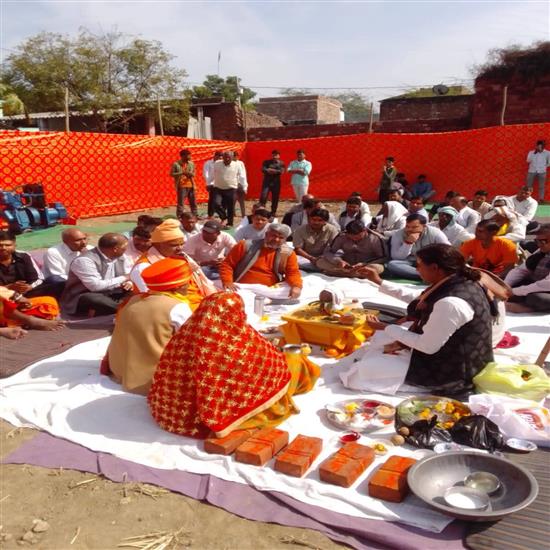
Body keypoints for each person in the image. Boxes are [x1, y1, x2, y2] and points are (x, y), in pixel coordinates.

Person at [148, 292, 319, 439]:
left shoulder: (185, 335)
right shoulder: (241, 342)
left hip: (173, 412)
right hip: (216, 408)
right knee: (296, 362)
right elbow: (269, 365)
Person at [341, 244, 494, 395]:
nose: (416, 269)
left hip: (453, 370)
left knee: (357, 374)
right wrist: (378, 280)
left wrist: (385, 327)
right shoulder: (458, 281)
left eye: (419, 265)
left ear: (434, 268)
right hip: (451, 351)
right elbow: (419, 299)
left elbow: (427, 347)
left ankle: (424, 386)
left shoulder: (450, 303)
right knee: (381, 341)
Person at [103, 258, 201, 395]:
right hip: (150, 377)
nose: (189, 287)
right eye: (187, 283)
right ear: (177, 287)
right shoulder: (177, 307)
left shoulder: (134, 299)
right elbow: (191, 340)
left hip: (119, 368)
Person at [130, 219, 216, 306]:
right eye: (174, 245)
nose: (180, 248)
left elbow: (203, 282)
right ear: (158, 245)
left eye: (182, 244)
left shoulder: (182, 256)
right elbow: (154, 301)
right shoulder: (144, 267)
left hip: (201, 303)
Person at [220, 223, 302, 299]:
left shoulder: (287, 253)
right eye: (273, 235)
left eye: (281, 238)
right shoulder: (246, 245)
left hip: (270, 289)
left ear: (285, 240)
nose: (276, 239)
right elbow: (227, 264)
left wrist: (296, 286)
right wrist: (227, 281)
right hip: (242, 287)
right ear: (266, 234)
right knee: (226, 291)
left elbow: (293, 272)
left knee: (295, 289)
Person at [61, 233, 132, 316]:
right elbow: (95, 286)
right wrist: (124, 278)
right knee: (93, 299)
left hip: (113, 292)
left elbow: (129, 273)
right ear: (115, 249)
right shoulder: (84, 260)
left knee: (136, 291)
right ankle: (127, 310)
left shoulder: (121, 256)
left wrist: (129, 282)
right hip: (86, 295)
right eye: (124, 247)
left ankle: (104, 310)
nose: (126, 249)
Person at [0, 230, 60, 302]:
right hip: (3, 295)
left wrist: (29, 287)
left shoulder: (23, 256)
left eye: (8, 245)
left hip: (26, 292)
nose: (3, 248)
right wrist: (9, 287)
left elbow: (38, 278)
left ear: (14, 245)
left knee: (59, 285)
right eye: (0, 245)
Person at [386, 214, 449, 280]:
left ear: (424, 226)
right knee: (392, 264)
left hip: (430, 263)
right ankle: (428, 275)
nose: (409, 229)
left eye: (414, 227)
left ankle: (428, 274)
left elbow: (447, 250)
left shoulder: (436, 233)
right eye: (407, 226)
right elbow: (396, 257)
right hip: (411, 261)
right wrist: (408, 243)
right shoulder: (398, 234)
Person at [505, 223, 550, 313]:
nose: (539, 245)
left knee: (539, 299)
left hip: (545, 288)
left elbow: (546, 284)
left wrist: (514, 291)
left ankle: (525, 308)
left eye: (543, 241)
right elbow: (520, 270)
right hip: (536, 285)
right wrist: (505, 286)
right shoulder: (540, 252)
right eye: (537, 241)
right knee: (505, 283)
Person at [317, 220, 386, 277]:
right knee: (320, 262)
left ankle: (341, 273)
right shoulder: (342, 236)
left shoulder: (376, 238)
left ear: (364, 230)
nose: (354, 239)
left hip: (366, 265)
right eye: (351, 237)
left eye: (357, 236)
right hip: (346, 265)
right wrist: (338, 261)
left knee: (376, 268)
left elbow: (383, 257)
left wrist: (364, 264)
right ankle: (353, 274)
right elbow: (328, 252)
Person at [212, 151, 246, 228]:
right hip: (218, 188)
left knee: (230, 207)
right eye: (225, 157)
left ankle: (230, 223)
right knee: (216, 204)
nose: (227, 159)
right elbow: (212, 173)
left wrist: (244, 187)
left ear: (232, 157)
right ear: (223, 157)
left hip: (231, 189)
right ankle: (224, 216)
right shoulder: (217, 163)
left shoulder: (237, 165)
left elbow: (242, 176)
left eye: (229, 157)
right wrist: (209, 183)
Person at [170, 149, 198, 217]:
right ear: (183, 156)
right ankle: (179, 216)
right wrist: (182, 173)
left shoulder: (191, 163)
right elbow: (171, 174)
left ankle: (195, 215)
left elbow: (194, 173)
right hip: (181, 185)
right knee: (181, 203)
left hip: (191, 185)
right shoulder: (176, 164)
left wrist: (190, 174)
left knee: (193, 202)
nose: (190, 157)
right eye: (188, 155)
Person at [260, 149, 285, 216]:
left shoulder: (281, 163)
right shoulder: (266, 162)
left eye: (276, 155)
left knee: (275, 197)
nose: (275, 156)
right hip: (267, 182)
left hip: (276, 183)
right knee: (263, 196)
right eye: (273, 155)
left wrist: (271, 170)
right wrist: (270, 171)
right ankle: (261, 210)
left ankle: (273, 212)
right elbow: (263, 169)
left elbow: (282, 171)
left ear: (279, 156)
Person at [232, 150, 248, 218]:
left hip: (240, 183)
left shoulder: (241, 163)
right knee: (233, 199)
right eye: (234, 156)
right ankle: (233, 213)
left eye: (236, 156)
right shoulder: (230, 163)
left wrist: (245, 186)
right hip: (233, 183)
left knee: (241, 200)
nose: (235, 157)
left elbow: (244, 174)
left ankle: (243, 214)